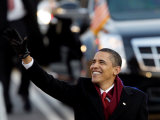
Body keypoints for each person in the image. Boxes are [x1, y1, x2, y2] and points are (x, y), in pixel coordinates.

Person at [3, 28, 148, 120]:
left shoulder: (137, 98)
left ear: (116, 70)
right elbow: (48, 83)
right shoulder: (82, 89)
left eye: (101, 62)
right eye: (93, 62)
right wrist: (26, 57)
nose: (94, 66)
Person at [1, 0, 44, 113]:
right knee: (4, 67)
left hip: (21, 25)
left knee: (26, 63)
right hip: (2, 27)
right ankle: (6, 100)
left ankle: (24, 92)